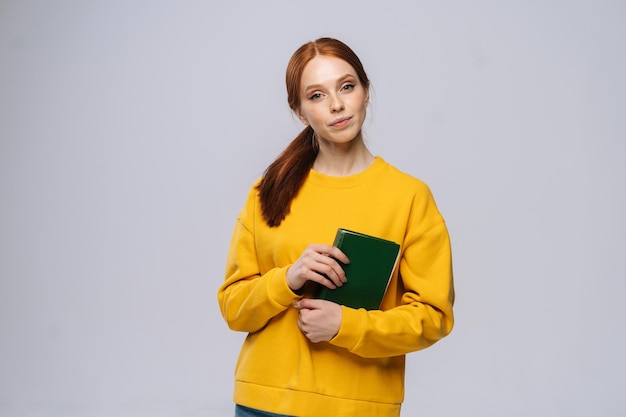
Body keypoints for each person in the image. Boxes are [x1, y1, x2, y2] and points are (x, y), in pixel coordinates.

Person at [218, 37, 454, 417]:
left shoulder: (408, 197)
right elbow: (233, 308)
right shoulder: (268, 191)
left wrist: (347, 324)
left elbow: (434, 316)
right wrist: (287, 280)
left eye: (347, 86)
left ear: (365, 91)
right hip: (265, 402)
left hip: (358, 407)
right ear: (299, 111)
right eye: (316, 95)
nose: (336, 105)